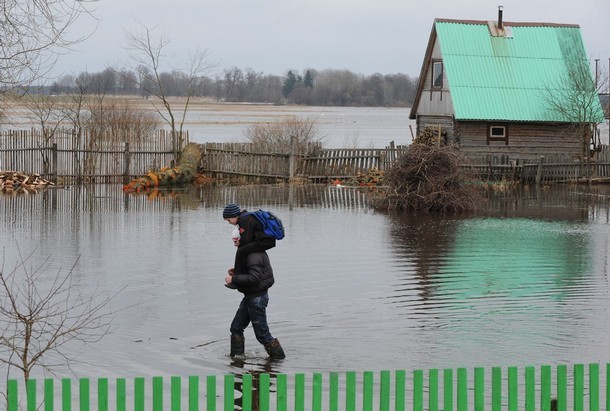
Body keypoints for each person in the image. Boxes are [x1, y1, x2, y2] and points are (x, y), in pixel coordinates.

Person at [225, 231, 285, 360]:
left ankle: (279, 361)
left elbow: (254, 278)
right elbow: (254, 274)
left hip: (256, 299)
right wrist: (236, 274)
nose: (235, 244)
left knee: (263, 336)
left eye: (236, 241)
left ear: (243, 239)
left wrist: (234, 279)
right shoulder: (251, 252)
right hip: (251, 297)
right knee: (236, 328)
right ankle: (237, 360)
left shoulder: (254, 254)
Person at [222, 203, 276, 277]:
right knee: (243, 249)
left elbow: (246, 241)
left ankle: (237, 276)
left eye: (229, 220)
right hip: (266, 241)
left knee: (241, 250)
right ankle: (240, 272)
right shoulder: (246, 217)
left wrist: (238, 243)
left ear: (234, 216)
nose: (229, 223)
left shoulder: (244, 220)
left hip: (265, 242)